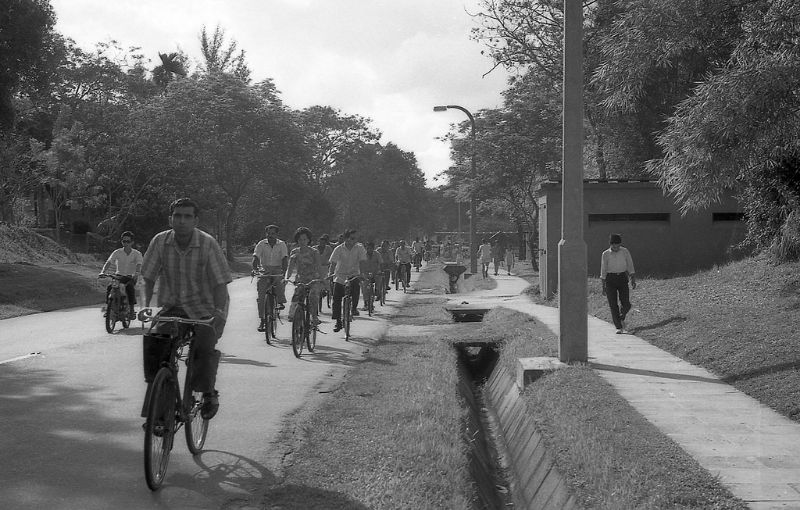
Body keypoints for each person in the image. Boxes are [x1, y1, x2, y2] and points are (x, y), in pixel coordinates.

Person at [141, 197, 231, 420]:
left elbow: (220, 284)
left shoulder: (208, 243)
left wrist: (218, 313)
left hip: (204, 309)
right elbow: (147, 279)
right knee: (156, 347)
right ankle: (159, 413)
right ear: (170, 219)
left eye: (187, 216)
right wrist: (145, 308)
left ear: (195, 220)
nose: (182, 221)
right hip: (170, 308)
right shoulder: (160, 241)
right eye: (178, 216)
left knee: (203, 348)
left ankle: (207, 392)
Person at [328, 229, 367, 332]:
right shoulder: (338, 249)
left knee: (355, 288)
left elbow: (362, 261)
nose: (354, 240)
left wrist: (362, 273)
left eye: (355, 238)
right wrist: (330, 274)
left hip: (353, 274)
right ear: (346, 238)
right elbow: (333, 263)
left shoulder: (359, 248)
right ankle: (337, 321)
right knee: (336, 298)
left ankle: (353, 308)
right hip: (340, 275)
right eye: (352, 238)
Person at [252, 224, 288, 332]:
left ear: (277, 234)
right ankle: (262, 320)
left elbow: (285, 259)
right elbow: (256, 257)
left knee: (279, 282)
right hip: (264, 269)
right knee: (261, 293)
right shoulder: (261, 244)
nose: (270, 235)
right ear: (266, 233)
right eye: (268, 233)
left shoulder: (281, 244)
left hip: (277, 268)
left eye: (273, 233)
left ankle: (280, 301)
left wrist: (284, 271)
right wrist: (255, 269)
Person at [99, 230, 143, 319]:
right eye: (124, 241)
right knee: (110, 287)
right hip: (118, 276)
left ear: (132, 242)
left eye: (128, 241)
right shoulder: (117, 252)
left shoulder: (137, 254)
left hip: (130, 277)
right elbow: (109, 262)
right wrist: (103, 271)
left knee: (130, 288)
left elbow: (139, 264)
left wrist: (136, 274)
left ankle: (131, 310)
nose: (125, 243)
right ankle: (109, 309)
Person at [285, 227, 325, 324]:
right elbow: (289, 268)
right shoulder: (294, 252)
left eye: (304, 239)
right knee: (296, 297)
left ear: (308, 240)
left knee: (313, 296)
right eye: (300, 240)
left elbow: (319, 267)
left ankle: (314, 317)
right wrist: (286, 278)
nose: (302, 242)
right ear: (297, 240)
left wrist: (323, 280)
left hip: (313, 280)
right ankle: (295, 319)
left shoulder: (314, 252)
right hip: (300, 280)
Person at [600, 233, 637, 334]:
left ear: (620, 244)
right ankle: (619, 326)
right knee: (613, 304)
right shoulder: (605, 254)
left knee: (626, 303)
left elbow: (630, 264)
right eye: (614, 245)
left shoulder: (625, 252)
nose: (616, 247)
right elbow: (603, 269)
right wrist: (603, 285)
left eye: (618, 245)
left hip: (622, 277)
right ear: (610, 244)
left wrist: (632, 278)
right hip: (610, 279)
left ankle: (621, 316)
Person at [359, 241, 382, 310]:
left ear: (373, 248)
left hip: (375, 272)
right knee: (364, 286)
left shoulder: (377, 254)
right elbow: (360, 264)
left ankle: (378, 291)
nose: (369, 249)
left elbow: (381, 263)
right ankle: (366, 302)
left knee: (379, 279)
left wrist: (379, 270)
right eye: (367, 248)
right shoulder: (363, 255)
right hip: (365, 273)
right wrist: (360, 273)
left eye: (370, 248)